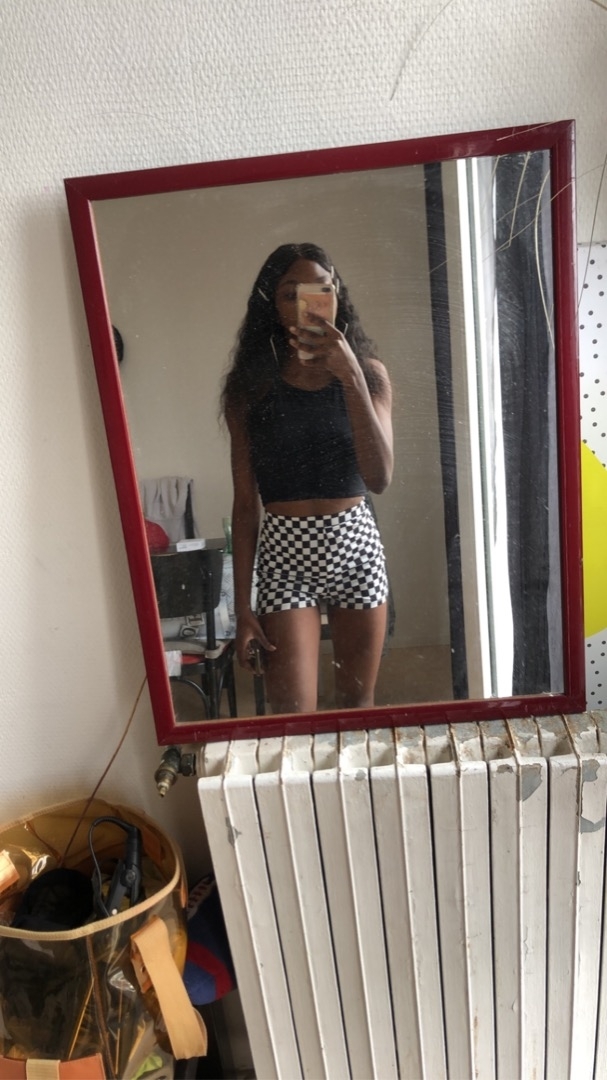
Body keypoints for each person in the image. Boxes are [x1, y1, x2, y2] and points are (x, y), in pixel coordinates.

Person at [220, 242, 393, 713]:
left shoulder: (369, 375)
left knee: (358, 705)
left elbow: (380, 478)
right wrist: (243, 610)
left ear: (337, 294)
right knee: (293, 716)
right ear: (272, 306)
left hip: (356, 550)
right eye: (289, 293)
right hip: (285, 558)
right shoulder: (248, 389)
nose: (306, 304)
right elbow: (244, 504)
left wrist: (350, 373)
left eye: (320, 289)